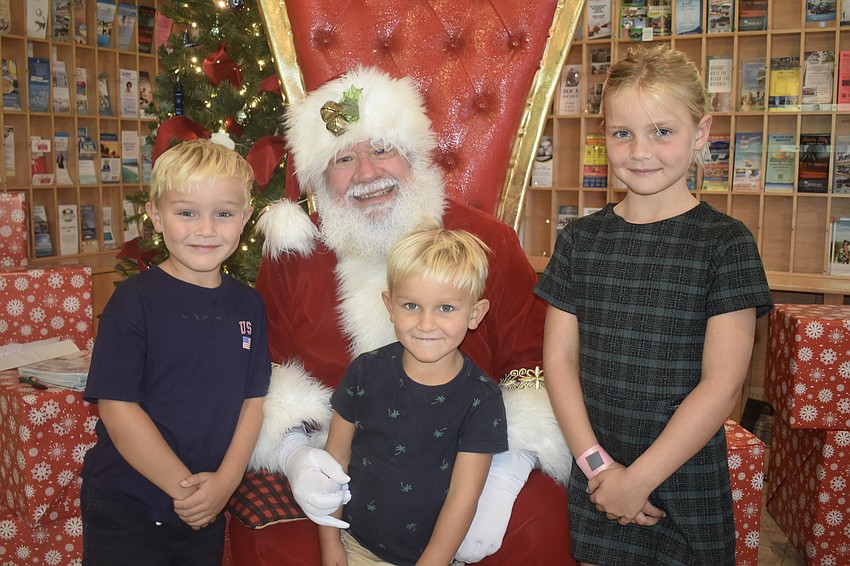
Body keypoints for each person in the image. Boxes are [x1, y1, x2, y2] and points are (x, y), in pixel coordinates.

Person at [227, 66, 574, 565]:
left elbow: (534, 362)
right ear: (321, 177)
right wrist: (294, 453)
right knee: (268, 540)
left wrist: (503, 468)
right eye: (344, 157)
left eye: (382, 149)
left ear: (412, 154)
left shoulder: (485, 242)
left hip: (474, 449)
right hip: (338, 455)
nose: (367, 174)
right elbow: (265, 368)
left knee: (540, 524)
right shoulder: (293, 257)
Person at [535, 44, 773, 565]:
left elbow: (722, 383)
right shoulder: (580, 241)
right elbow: (559, 362)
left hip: (684, 480)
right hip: (598, 474)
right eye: (623, 133)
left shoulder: (725, 243)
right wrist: (602, 472)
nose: (640, 150)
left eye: (662, 131)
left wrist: (637, 480)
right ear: (605, 138)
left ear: (702, 132)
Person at [80, 138, 271, 565]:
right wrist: (186, 489)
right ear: (156, 217)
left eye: (223, 214)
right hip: (126, 506)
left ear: (245, 218)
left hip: (205, 506)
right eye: (187, 213)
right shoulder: (133, 301)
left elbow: (254, 400)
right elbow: (118, 408)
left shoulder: (249, 305)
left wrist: (225, 482)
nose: (206, 229)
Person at [319, 225, 504, 565]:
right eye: (411, 305)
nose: (426, 323)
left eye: (446, 308)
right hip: (354, 545)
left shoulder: (483, 398)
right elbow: (335, 461)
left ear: (475, 314)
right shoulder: (364, 372)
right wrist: (330, 542)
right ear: (390, 307)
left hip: (435, 558)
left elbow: (464, 497)